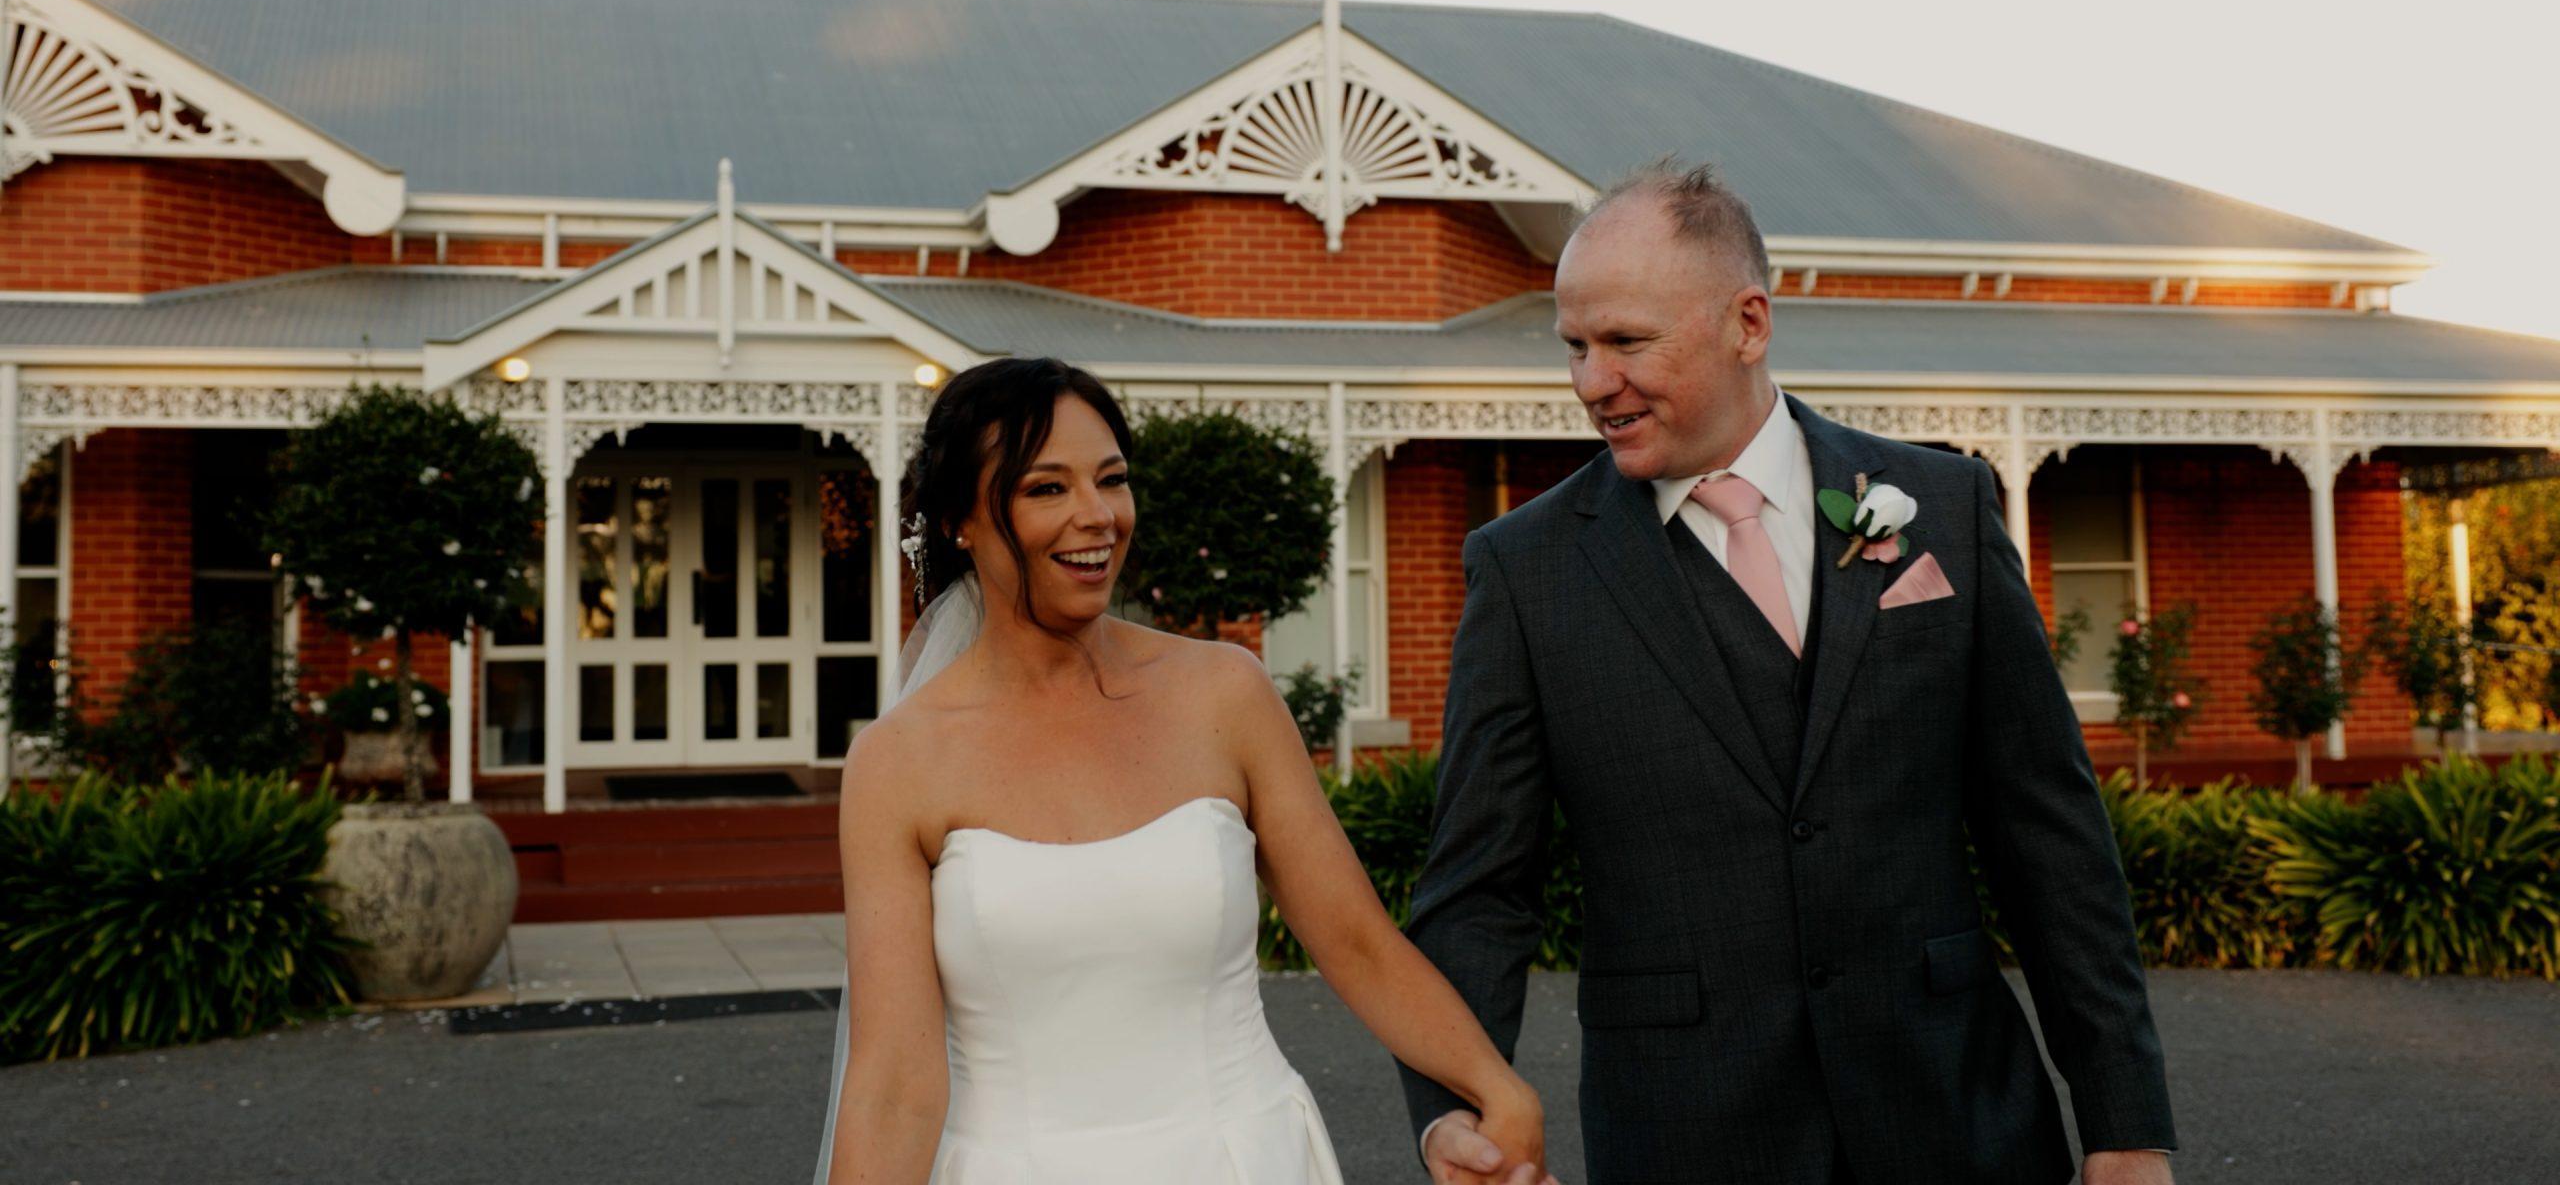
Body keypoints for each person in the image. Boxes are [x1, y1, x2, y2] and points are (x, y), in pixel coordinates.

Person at [1402, 163, 2178, 1184]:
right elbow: (1477, 889)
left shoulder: (1938, 505)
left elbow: (2049, 832)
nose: (1593, 381)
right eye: (1576, 348)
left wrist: (2124, 1124)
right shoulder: (1526, 569)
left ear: (1748, 324)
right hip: (1688, 1136)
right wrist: (1453, 1112)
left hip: (1958, 1121)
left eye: (1627, 342)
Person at [816, 356, 1560, 1184]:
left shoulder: (1224, 692)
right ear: (960, 518)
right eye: (1046, 489)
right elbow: (892, 1084)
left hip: (1246, 1156)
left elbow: (1358, 945)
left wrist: (1499, 1090)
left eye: (1112, 479)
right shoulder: (899, 761)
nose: (1097, 516)